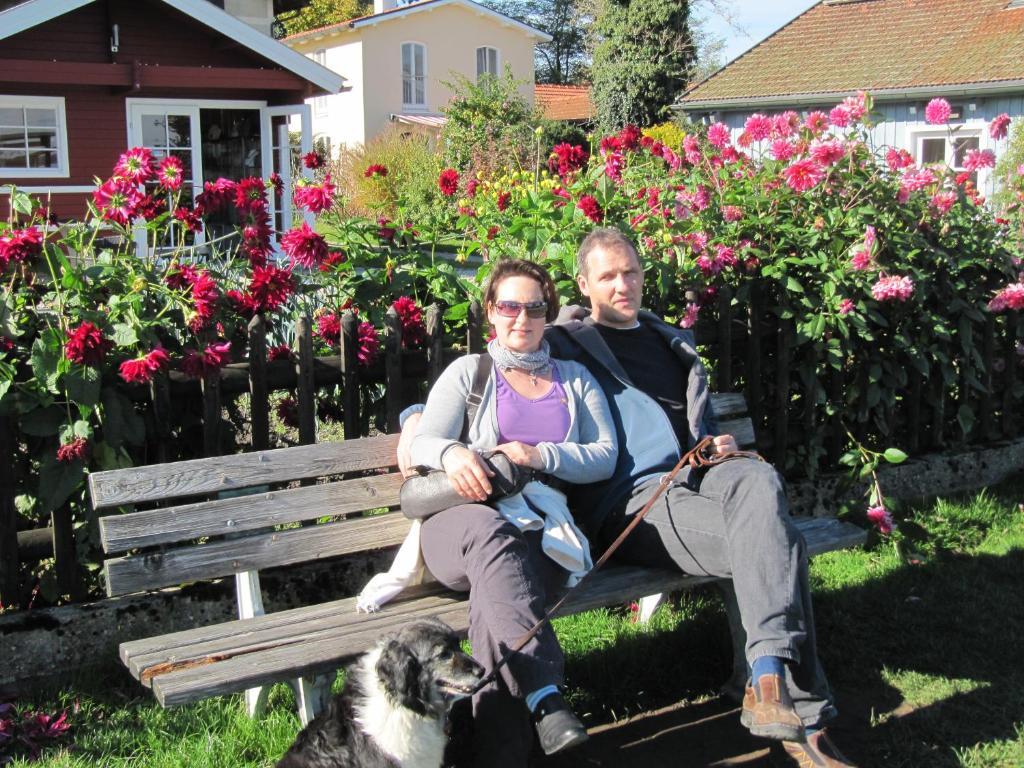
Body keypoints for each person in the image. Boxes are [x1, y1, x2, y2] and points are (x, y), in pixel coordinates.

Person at [399, 229, 856, 768]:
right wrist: (422, 432)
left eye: (631, 272)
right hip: (630, 502)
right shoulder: (569, 340)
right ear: (583, 285)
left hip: (695, 475)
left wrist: (712, 440)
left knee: (760, 484)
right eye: (608, 276)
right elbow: (470, 389)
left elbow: (679, 423)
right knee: (782, 543)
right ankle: (803, 715)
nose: (623, 285)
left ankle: (768, 675)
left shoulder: (670, 342)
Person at [380, 258, 617, 767]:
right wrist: (452, 454)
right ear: (491, 311)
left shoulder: (573, 379)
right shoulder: (469, 372)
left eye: (534, 307)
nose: (521, 317)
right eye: (509, 305)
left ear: (548, 313)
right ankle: (544, 695)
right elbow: (422, 443)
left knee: (496, 607)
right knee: (491, 532)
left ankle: (492, 752)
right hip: (460, 524)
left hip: (539, 525)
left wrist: (540, 456)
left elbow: (605, 455)